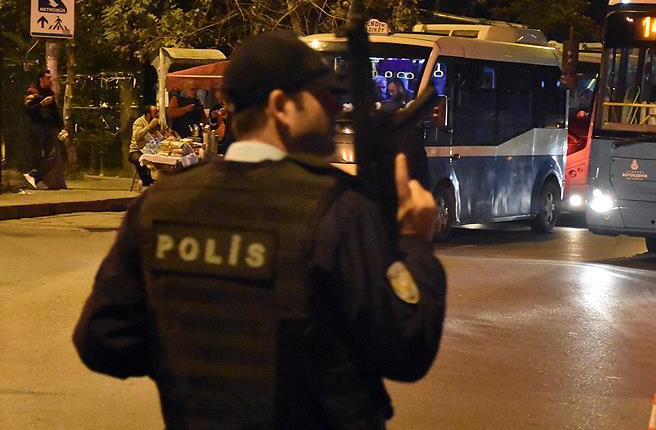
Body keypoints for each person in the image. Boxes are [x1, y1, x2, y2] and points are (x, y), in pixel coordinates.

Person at [73, 30, 446, 429]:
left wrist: (192, 364)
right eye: (322, 96)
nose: (336, 108)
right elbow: (406, 347)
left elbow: (104, 340)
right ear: (281, 106)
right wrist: (414, 243)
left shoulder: (160, 205)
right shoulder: (338, 210)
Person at [23, 70, 66, 189]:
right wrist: (40, 104)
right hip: (37, 126)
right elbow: (27, 110)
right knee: (37, 154)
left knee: (53, 155)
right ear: (41, 79)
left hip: (49, 127)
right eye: (48, 78)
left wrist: (62, 128)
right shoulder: (32, 92)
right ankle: (35, 178)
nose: (50, 80)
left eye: (50, 77)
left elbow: (55, 113)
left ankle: (34, 176)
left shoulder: (50, 93)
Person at [129, 105, 161, 187]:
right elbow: (137, 137)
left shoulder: (157, 122)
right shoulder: (139, 122)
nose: (157, 114)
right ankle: (146, 183)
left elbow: (161, 134)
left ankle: (156, 181)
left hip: (152, 149)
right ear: (148, 114)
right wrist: (150, 126)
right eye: (155, 112)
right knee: (141, 160)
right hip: (136, 150)